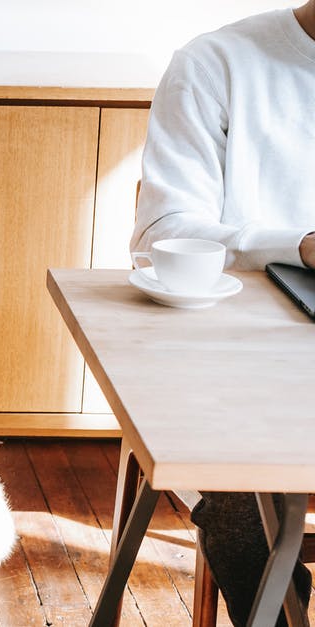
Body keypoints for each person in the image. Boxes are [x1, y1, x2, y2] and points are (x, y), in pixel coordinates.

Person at [132, 2, 315, 625]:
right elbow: (164, 230)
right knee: (249, 523)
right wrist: (299, 245)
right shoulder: (216, 64)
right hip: (235, 375)